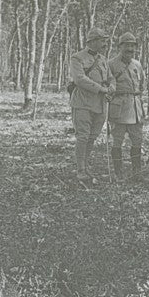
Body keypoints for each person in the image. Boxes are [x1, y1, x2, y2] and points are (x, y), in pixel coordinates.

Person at [66, 28, 114, 182]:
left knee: (92, 137)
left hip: (100, 105)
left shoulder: (103, 59)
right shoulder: (77, 58)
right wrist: (101, 89)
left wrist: (112, 87)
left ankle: (86, 165)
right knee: (83, 136)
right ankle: (80, 169)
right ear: (92, 42)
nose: (104, 44)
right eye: (101, 40)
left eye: (104, 40)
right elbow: (80, 79)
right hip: (83, 103)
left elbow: (111, 77)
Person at [107, 32, 145, 180]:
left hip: (135, 107)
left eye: (132, 45)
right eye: (127, 45)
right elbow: (107, 85)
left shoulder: (137, 64)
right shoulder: (111, 64)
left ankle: (137, 172)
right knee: (117, 141)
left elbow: (141, 84)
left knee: (137, 140)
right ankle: (118, 173)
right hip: (119, 107)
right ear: (120, 46)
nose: (130, 48)